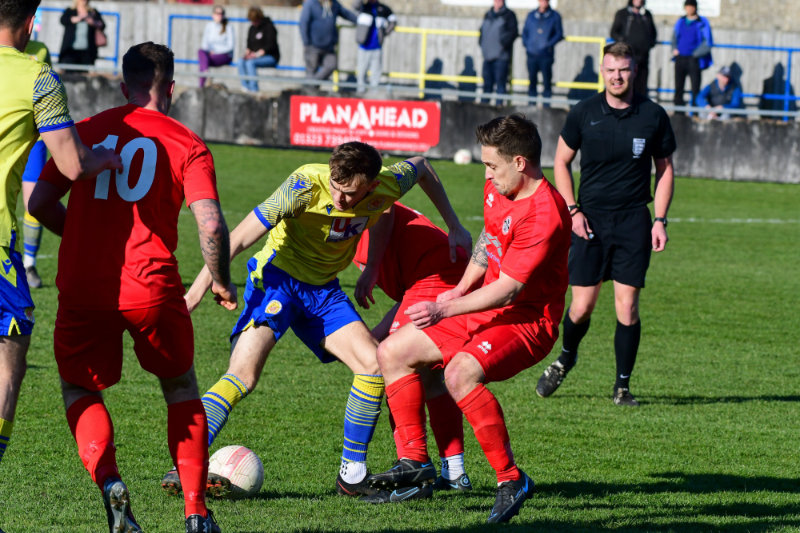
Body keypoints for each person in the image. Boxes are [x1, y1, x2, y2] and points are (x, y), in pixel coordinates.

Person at [159, 142, 472, 500]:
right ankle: (186, 463)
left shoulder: (387, 184)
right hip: (277, 281)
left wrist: (452, 226)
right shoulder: (303, 185)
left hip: (323, 291)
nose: (339, 198)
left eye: (350, 193)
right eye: (336, 188)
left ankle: (352, 475)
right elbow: (240, 237)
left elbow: (422, 168)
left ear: (372, 185)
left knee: (373, 365)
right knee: (242, 376)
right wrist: (198, 291)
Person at [29, 42, 235, 533]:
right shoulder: (186, 142)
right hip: (152, 288)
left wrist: (81, 237)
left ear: (124, 86)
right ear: (171, 88)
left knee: (80, 387)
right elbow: (210, 224)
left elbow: (38, 203)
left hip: (83, 287)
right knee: (180, 387)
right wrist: (221, 280)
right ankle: (195, 512)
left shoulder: (86, 131)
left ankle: (110, 482)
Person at [368, 114, 571, 524]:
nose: (486, 175)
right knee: (391, 353)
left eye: (492, 165)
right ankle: (416, 466)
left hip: (528, 320)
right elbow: (490, 237)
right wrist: (460, 288)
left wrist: (443, 308)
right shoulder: (499, 187)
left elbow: (509, 290)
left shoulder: (545, 213)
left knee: (459, 374)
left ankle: (511, 479)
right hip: (483, 304)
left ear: (519, 162)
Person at [0, 1, 120, 529]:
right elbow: (72, 163)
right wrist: (107, 158)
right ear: (30, 24)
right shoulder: (37, 75)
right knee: (8, 363)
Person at [535, 42, 676, 407]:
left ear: (634, 71)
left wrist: (660, 220)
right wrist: (573, 211)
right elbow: (561, 161)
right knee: (582, 306)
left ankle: (622, 387)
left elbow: (664, 169)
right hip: (590, 221)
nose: (617, 76)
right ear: (602, 71)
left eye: (624, 69)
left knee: (627, 308)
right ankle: (566, 358)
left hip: (633, 222)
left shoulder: (653, 115)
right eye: (611, 69)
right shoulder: (584, 112)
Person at [351, 202, 472, 503]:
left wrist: (372, 267)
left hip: (437, 277)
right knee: (427, 376)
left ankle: (413, 474)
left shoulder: (365, 203)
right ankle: (454, 473)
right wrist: (376, 333)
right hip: (445, 275)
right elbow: (407, 295)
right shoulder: (357, 203)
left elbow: (386, 207)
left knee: (395, 364)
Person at [20, 39, 53, 289]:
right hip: (7, 134)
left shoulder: (40, 50)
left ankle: (28, 264)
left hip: (35, 138)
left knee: (34, 203)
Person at [299, 0, 357, 81]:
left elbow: (346, 14)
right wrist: (306, 43)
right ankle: (311, 86)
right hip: (313, 46)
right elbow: (303, 23)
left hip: (329, 47)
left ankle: (312, 83)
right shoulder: (311, 4)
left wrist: (360, 20)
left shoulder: (334, 4)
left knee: (331, 65)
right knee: (311, 70)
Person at [671, 0, 713, 108]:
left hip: (694, 60)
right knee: (678, 86)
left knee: (695, 87)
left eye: (692, 6)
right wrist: (674, 49)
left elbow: (708, 42)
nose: (689, 9)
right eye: (688, 6)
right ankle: (678, 111)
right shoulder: (681, 21)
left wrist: (695, 54)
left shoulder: (702, 22)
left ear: (695, 8)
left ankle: (694, 111)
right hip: (680, 58)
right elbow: (674, 37)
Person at [610, 0, 657, 97]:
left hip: (643, 57)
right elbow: (614, 32)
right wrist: (623, 42)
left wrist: (649, 44)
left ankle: (640, 105)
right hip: (627, 56)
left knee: (641, 84)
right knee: (627, 81)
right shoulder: (622, 14)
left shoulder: (647, 15)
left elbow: (653, 33)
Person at [521, 0, 563, 105]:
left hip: (546, 56)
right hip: (532, 55)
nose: (543, 2)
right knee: (532, 82)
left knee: (546, 83)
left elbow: (559, 33)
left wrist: (548, 45)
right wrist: (528, 45)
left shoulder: (555, 16)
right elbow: (525, 32)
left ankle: (546, 107)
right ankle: (531, 106)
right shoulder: (531, 15)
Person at [478, 0, 517, 105]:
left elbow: (513, 32)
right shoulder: (488, 14)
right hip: (487, 56)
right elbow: (482, 32)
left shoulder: (509, 15)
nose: (497, 2)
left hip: (501, 57)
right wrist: (483, 45)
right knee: (487, 85)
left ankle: (499, 109)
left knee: (500, 85)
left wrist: (502, 45)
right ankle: (483, 107)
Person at [353, 0, 396, 92]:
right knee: (361, 73)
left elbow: (393, 21)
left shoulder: (383, 8)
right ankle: (360, 93)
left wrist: (385, 33)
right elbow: (355, 5)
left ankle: (373, 94)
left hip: (377, 47)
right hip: (364, 47)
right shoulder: (363, 7)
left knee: (376, 74)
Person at [238, 7, 280, 93]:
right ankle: (245, 87)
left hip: (270, 57)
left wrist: (256, 55)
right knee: (241, 61)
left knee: (250, 63)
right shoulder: (252, 28)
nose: (253, 23)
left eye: (255, 20)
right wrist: (247, 54)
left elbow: (270, 46)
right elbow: (249, 45)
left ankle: (254, 89)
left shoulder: (269, 27)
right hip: (255, 56)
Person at [58, 0, 105, 70]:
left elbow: (102, 25)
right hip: (70, 50)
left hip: (87, 51)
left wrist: (92, 22)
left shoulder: (93, 11)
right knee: (68, 72)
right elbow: (62, 20)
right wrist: (76, 19)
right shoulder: (70, 10)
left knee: (85, 73)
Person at [198, 5, 235, 89]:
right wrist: (210, 50)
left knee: (203, 62)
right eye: (217, 13)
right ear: (213, 15)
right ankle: (207, 75)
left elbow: (230, 47)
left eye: (221, 13)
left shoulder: (229, 27)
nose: (219, 15)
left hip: (224, 55)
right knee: (201, 52)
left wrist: (215, 51)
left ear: (224, 15)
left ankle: (201, 87)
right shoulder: (209, 26)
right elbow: (204, 44)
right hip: (211, 54)